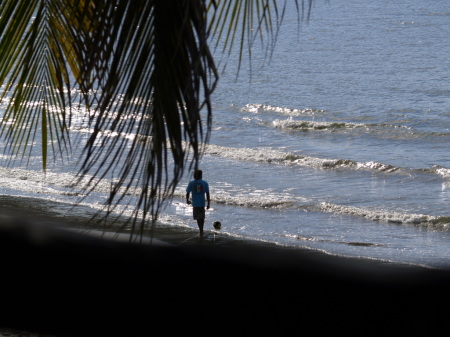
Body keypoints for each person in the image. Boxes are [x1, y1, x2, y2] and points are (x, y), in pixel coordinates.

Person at [186, 169, 210, 237]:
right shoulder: (205, 183)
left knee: (198, 218)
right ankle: (201, 230)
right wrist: (208, 203)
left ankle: (201, 231)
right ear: (201, 175)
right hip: (202, 203)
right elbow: (207, 194)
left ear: (194, 176)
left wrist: (187, 200)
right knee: (201, 217)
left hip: (195, 204)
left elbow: (187, 192)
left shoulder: (191, 183)